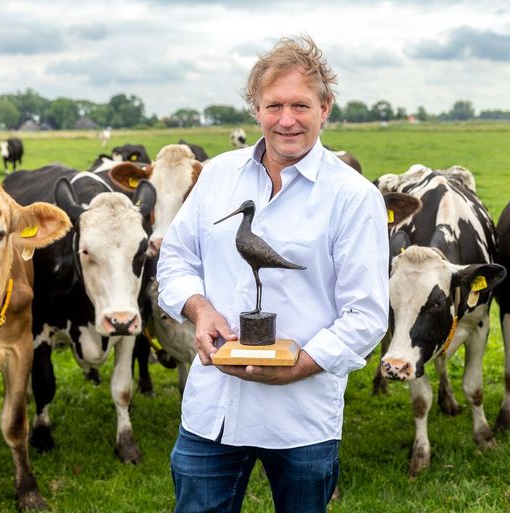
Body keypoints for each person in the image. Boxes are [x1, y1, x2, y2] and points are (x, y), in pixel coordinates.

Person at [157, 35, 389, 513]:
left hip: (301, 417)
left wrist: (300, 366)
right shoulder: (218, 176)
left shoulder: (353, 196)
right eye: (274, 105)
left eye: (301, 105)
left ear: (325, 109)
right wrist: (199, 310)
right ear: (255, 110)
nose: (287, 119)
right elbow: (176, 259)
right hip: (212, 409)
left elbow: (366, 313)